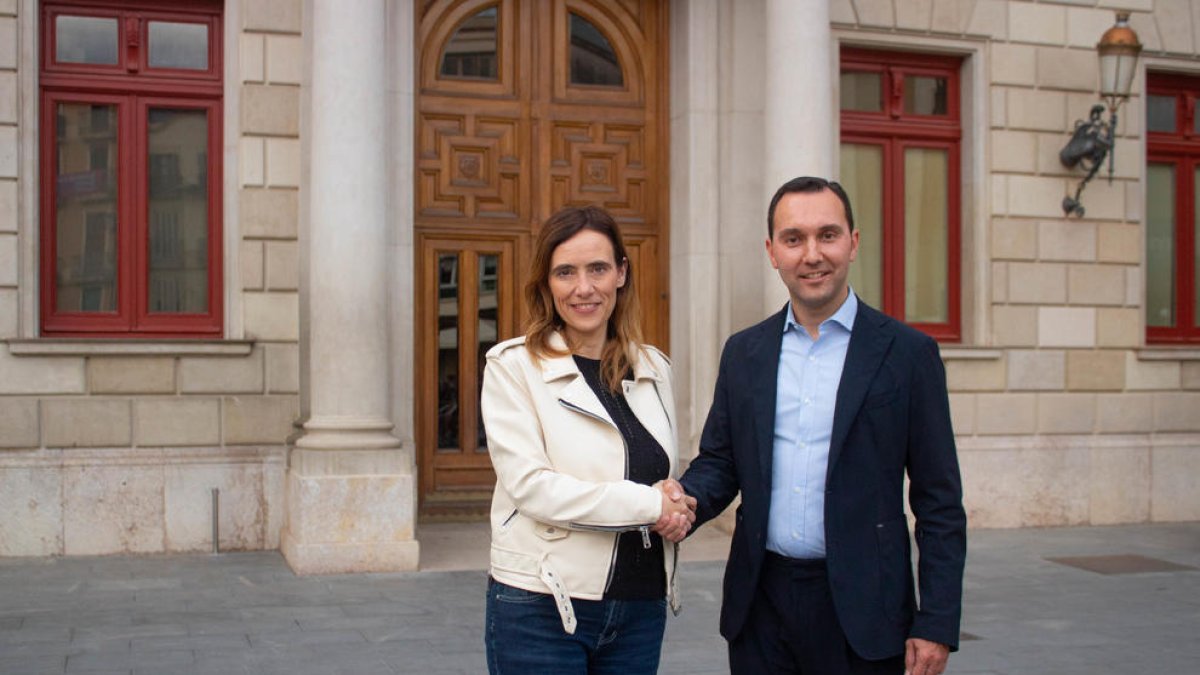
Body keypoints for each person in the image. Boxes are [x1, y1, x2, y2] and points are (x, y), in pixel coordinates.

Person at [671, 176, 967, 675]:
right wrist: (680, 504)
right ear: (772, 251)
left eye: (827, 235)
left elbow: (938, 501)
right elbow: (721, 463)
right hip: (760, 609)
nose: (812, 254)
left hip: (866, 613)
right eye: (794, 239)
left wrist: (936, 621)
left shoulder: (908, 355)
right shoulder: (745, 353)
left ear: (854, 242)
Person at [481, 205, 696, 674]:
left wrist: (677, 505)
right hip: (542, 606)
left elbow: (658, 475)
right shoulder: (512, 367)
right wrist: (651, 506)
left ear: (621, 273)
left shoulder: (654, 368)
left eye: (598, 268)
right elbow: (533, 486)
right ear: (546, 283)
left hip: (640, 609)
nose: (584, 288)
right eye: (565, 272)